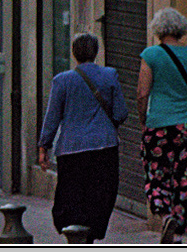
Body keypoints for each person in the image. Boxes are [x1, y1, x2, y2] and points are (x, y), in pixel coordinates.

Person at [38, 32, 128, 240]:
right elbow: (121, 113)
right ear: (96, 53)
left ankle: (75, 237)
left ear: (74, 54)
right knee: (100, 195)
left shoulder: (61, 81)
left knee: (72, 196)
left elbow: (52, 117)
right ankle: (90, 235)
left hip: (71, 150)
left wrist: (44, 147)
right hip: (104, 147)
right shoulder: (110, 75)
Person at [137, 7, 187, 243]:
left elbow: (142, 93)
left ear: (158, 30)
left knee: (158, 174)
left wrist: (143, 120)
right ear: (181, 29)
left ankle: (165, 215)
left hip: (159, 124)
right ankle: (178, 232)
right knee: (185, 176)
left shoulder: (150, 55)